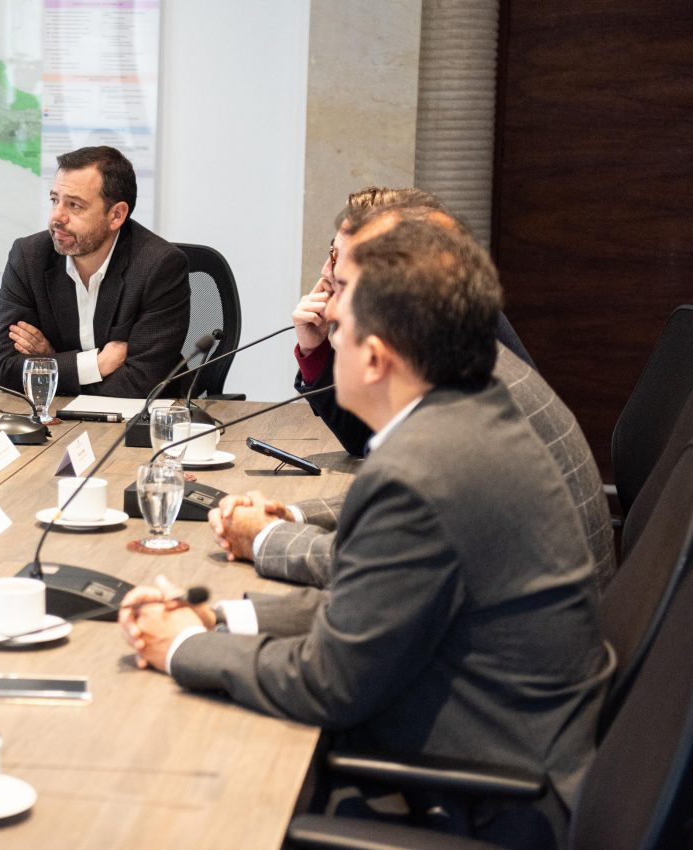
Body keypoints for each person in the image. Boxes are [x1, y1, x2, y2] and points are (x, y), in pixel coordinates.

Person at [120, 217, 609, 849]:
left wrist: (182, 648)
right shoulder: (467, 412)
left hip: (487, 800)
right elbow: (364, 607)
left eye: (341, 331)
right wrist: (221, 619)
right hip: (510, 754)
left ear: (376, 357)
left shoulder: (421, 471)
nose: (332, 342)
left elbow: (330, 683)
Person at [219, 203, 615, 592]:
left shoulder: (460, 407)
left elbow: (376, 567)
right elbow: (400, 502)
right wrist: (293, 513)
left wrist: (264, 536)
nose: (327, 292)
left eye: (341, 280)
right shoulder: (463, 352)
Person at [294, 187, 535, 455]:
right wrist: (314, 351)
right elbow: (364, 437)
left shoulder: (448, 341)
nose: (326, 271)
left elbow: (403, 469)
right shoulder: (434, 316)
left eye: (338, 258)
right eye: (331, 251)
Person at [0, 145, 189, 399]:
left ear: (116, 215)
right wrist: (95, 365)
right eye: (55, 200)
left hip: (138, 425)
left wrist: (51, 362)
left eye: (74, 205)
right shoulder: (29, 257)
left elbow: (141, 383)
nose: (56, 217)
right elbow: (7, 369)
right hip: (56, 421)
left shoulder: (159, 266)